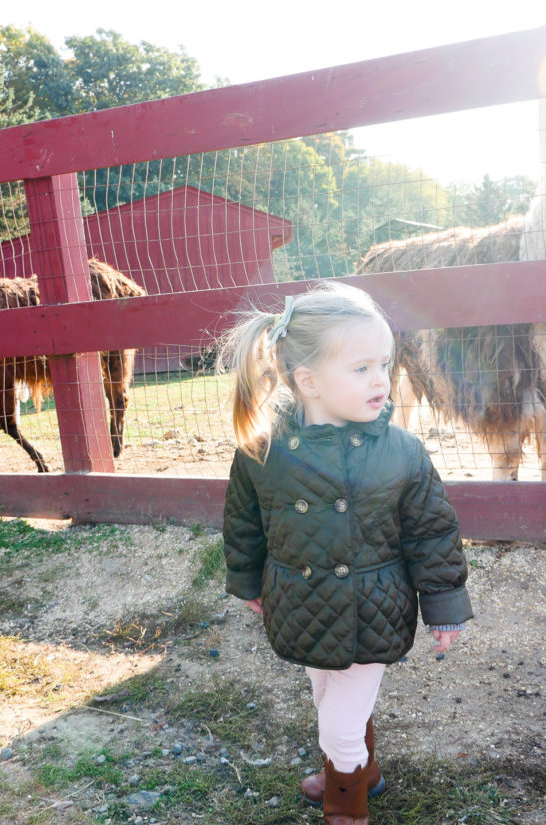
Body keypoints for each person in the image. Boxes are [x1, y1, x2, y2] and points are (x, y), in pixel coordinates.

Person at [219, 281, 472, 825]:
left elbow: (432, 531)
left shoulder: (401, 451)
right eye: (361, 368)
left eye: (384, 364)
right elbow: (244, 524)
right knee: (326, 696)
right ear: (308, 381)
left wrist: (444, 601)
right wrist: (246, 582)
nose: (381, 380)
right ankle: (363, 770)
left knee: (337, 723)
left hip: (373, 607)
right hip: (301, 602)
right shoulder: (263, 451)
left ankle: (346, 807)